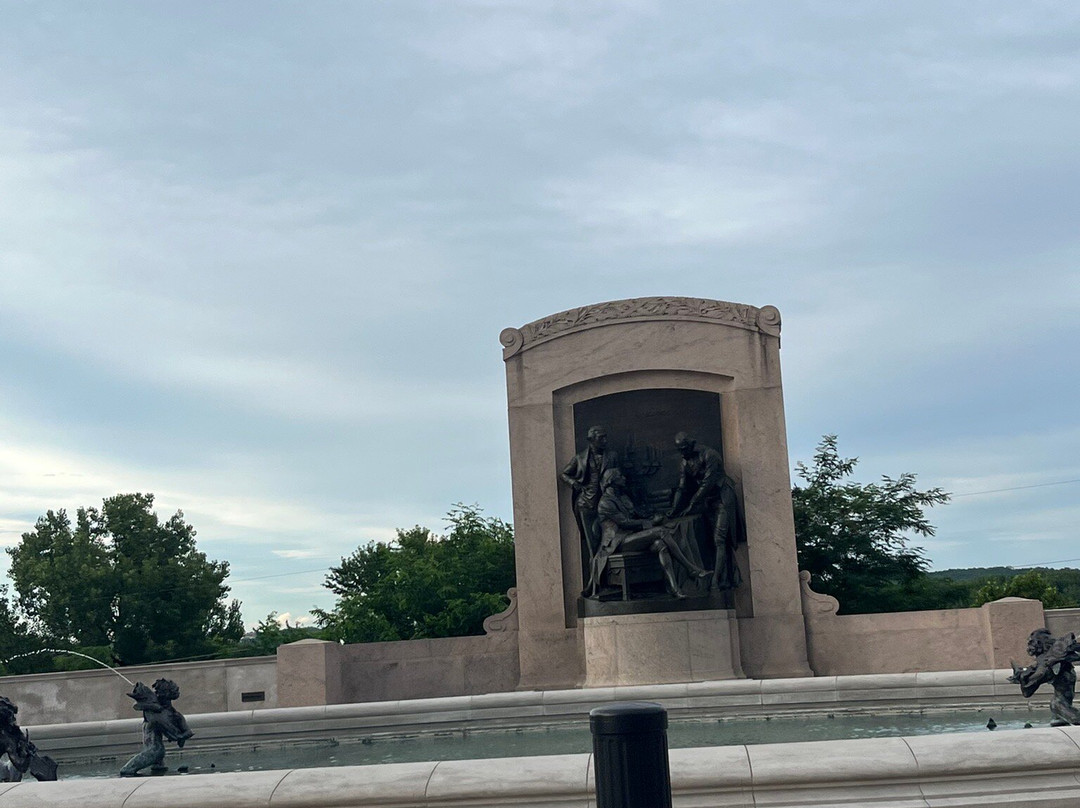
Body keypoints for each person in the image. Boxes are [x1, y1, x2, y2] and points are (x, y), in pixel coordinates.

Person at [586, 468, 709, 598]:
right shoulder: (606, 502)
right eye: (620, 476)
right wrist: (650, 523)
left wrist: (653, 517)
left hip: (631, 537)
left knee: (660, 545)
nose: (624, 478)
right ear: (612, 481)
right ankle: (691, 569)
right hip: (617, 542)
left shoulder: (622, 497)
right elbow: (625, 523)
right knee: (661, 532)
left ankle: (674, 588)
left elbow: (636, 514)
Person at [668, 432, 745, 591]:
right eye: (679, 450)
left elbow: (707, 483)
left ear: (691, 445)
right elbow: (681, 488)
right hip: (708, 503)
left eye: (684, 449)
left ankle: (716, 582)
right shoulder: (684, 462)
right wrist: (674, 510)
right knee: (712, 541)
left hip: (723, 498)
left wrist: (692, 504)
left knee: (719, 540)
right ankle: (723, 578)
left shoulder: (710, 455)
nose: (682, 453)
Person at [560, 425, 618, 560]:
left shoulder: (612, 456)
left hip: (608, 504)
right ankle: (595, 575)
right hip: (587, 504)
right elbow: (564, 474)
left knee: (611, 541)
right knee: (592, 543)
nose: (605, 440)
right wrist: (574, 484)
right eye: (601, 437)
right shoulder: (580, 458)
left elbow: (618, 476)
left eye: (605, 437)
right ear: (591, 439)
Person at [1010, 628, 1080, 725]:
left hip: (1062, 704)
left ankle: (1058, 718)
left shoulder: (1059, 657)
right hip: (1059, 705)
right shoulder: (1046, 664)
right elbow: (1028, 691)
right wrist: (1023, 677)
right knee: (1076, 719)